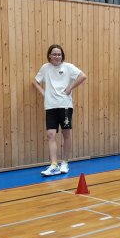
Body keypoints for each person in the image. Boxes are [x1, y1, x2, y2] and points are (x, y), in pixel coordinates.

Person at [34, 44, 87, 176]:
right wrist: (43, 93)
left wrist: (70, 88)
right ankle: (54, 165)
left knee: (66, 134)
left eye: (59, 54)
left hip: (65, 106)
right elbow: (35, 81)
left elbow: (83, 76)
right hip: (50, 106)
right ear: (50, 55)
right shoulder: (45, 68)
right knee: (50, 134)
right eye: (54, 54)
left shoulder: (68, 67)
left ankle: (65, 162)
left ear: (62, 56)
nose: (57, 56)